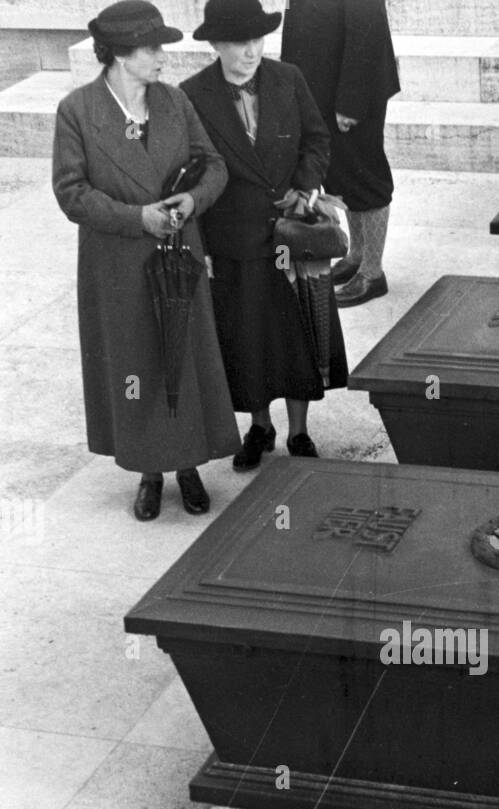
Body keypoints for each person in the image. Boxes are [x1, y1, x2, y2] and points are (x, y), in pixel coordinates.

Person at [52, 1, 241, 521]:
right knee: (137, 362)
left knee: (185, 352)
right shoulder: (77, 111)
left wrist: (192, 201)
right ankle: (150, 472)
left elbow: (215, 166)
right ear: (118, 54)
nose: (163, 57)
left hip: (180, 255)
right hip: (118, 263)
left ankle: (189, 467)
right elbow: (71, 193)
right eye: (152, 48)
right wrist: (139, 218)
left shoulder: (174, 102)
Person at [182, 0, 349, 470]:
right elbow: (191, 172)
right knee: (249, 336)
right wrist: (202, 244)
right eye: (239, 42)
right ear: (215, 44)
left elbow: (317, 141)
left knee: (300, 335)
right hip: (234, 239)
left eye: (257, 39)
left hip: (291, 236)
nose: (251, 51)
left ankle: (299, 431)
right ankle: (260, 427)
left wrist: (304, 184)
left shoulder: (288, 78)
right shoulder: (192, 95)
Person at [281, 0, 400, 307]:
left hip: (351, 89)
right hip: (323, 84)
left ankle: (373, 273)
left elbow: (367, 31)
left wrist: (352, 101)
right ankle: (357, 256)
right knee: (343, 173)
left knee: (365, 173)